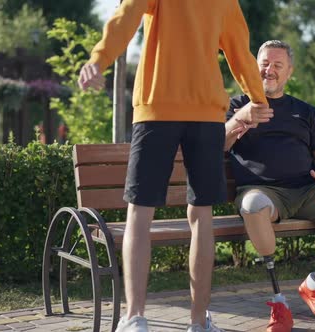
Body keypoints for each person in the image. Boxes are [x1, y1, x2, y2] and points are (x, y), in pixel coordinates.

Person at [78, 1, 271, 331]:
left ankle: (136, 318)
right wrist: (258, 97)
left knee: (140, 211)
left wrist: (99, 60)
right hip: (206, 113)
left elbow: (125, 19)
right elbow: (239, 50)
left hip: (159, 109)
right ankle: (198, 322)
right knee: (201, 215)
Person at [225, 40, 315, 332]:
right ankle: (279, 302)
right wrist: (238, 120)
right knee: (252, 206)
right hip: (263, 192)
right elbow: (217, 144)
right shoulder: (237, 104)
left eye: (277, 65)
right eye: (264, 64)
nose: (269, 70)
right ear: (254, 68)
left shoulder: (305, 111)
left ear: (289, 72)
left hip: (307, 190)